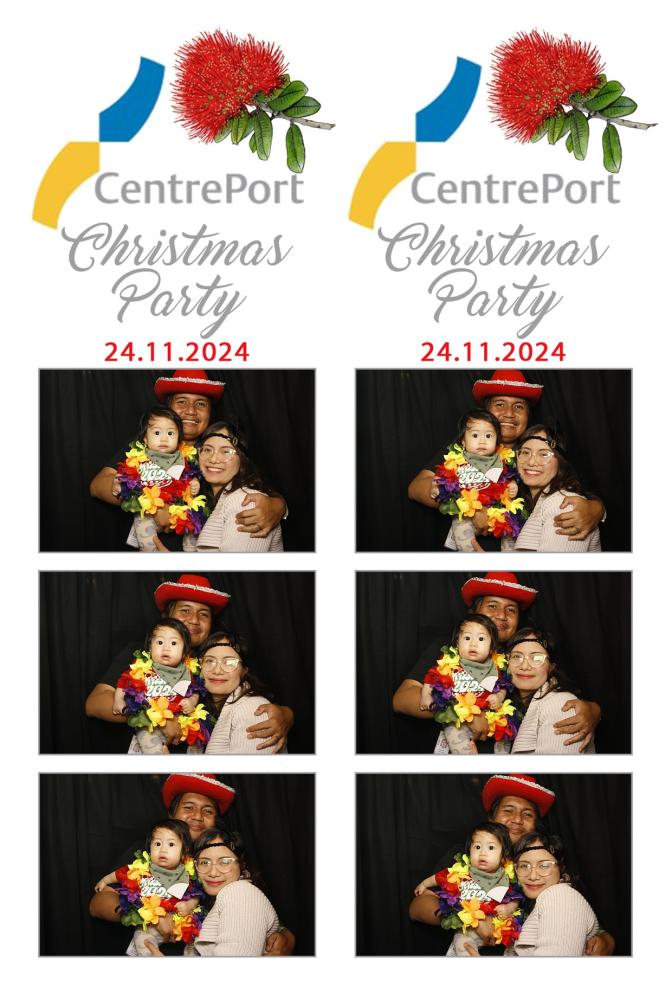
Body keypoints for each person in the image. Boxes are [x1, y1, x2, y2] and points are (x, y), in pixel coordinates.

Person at [89, 773, 295, 956]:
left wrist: (287, 939)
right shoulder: (151, 852)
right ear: (172, 815)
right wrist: (151, 915)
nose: (197, 816)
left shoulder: (224, 861)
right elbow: (98, 904)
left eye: (208, 811)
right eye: (188, 808)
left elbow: (256, 910)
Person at [393, 571, 601, 753]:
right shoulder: (448, 647)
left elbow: (553, 690)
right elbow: (402, 699)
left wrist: (593, 711)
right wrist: (464, 713)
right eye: (492, 606)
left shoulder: (519, 655)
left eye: (511, 609)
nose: (501, 615)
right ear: (475, 613)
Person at [408, 773, 614, 956]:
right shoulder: (470, 856)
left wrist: (606, 939)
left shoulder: (543, 864)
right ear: (491, 817)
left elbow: (574, 911)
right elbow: (417, 907)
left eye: (527, 814)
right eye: (508, 811)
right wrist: (472, 918)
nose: (517, 819)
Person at [85, 574, 294, 752]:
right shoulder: (142, 652)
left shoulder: (213, 660)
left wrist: (286, 715)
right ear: (168, 616)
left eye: (203, 614)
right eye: (185, 610)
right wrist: (158, 719)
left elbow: (248, 695)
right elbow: (95, 703)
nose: (194, 619)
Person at [408, 370, 603, 544]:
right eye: (499, 404)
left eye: (519, 406)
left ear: (528, 415)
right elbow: (416, 487)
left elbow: (573, 487)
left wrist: (597, 510)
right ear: (486, 411)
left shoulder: (536, 450)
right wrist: (471, 508)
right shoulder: (468, 446)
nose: (509, 413)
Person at [90, 370, 287, 543]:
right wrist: (153, 506)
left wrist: (279, 507)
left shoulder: (217, 447)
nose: (191, 411)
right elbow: (98, 485)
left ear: (210, 412)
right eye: (182, 402)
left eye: (200, 404)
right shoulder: (150, 444)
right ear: (169, 408)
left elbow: (254, 482)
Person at [94, 818, 203, 956]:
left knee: (197, 942)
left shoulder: (186, 874)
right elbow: (119, 874)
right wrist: (104, 881)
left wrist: (189, 905)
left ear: (184, 850)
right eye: (157, 844)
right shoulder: (142, 870)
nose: (163, 849)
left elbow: (196, 894)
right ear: (149, 847)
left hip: (181, 924)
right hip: (150, 925)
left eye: (171, 844)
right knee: (142, 941)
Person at [414, 822, 523, 955]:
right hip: (469, 930)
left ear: (503, 855)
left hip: (500, 928)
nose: (483, 853)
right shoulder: (462, 872)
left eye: (491, 847)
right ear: (469, 851)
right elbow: (439, 877)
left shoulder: (505, 877)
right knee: (462, 944)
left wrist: (509, 908)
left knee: (516, 946)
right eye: (477, 847)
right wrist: (424, 884)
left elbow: (516, 898)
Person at [112, 405, 206, 552]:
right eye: (156, 433)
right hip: (149, 512)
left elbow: (189, 475)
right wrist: (117, 484)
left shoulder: (182, 459)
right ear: (145, 439)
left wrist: (194, 483)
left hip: (179, 509)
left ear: (179, 439)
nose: (164, 438)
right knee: (142, 524)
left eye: (170, 433)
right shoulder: (139, 459)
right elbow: (124, 476)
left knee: (193, 521)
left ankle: (192, 554)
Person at [419, 614, 517, 754]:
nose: (473, 644)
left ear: (491, 647)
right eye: (467, 638)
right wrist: (426, 695)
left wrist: (499, 697)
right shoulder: (450, 665)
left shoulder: (494, 667)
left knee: (505, 731)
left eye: (481, 639)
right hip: (459, 717)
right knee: (453, 733)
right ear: (457, 643)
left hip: (489, 715)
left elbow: (503, 686)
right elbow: (431, 678)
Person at [430, 409, 524, 551]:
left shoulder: (501, 461)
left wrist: (512, 485)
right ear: (463, 441)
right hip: (467, 514)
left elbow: (508, 477)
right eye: (475, 435)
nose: (482, 441)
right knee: (461, 529)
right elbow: (441, 478)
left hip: (497, 511)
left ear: (497, 441)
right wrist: (436, 487)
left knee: (512, 530)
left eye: (488, 436)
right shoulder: (457, 461)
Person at [183, 422, 283, 552]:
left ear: (242, 459)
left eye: (226, 451)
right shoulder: (203, 500)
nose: (213, 459)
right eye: (207, 450)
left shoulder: (245, 502)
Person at [112, 619, 208, 755]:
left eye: (174, 643)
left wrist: (192, 701)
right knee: (148, 740)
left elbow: (195, 690)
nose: (166, 648)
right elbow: (124, 682)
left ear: (184, 651)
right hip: (150, 723)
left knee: (197, 739)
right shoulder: (143, 669)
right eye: (160, 642)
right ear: (150, 648)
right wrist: (118, 700)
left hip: (180, 721)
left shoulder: (187, 672)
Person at [508, 831, 599, 956]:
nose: (533, 876)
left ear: (560, 867)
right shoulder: (527, 903)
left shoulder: (559, 896)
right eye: (524, 866)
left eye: (544, 865)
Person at [196, 632, 287, 754]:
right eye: (209, 661)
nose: (217, 670)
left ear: (244, 670)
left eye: (230, 662)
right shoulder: (195, 705)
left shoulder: (253, 709)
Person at [508, 628, 595, 754]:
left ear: (551, 667)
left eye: (537, 658)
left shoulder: (560, 704)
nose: (525, 666)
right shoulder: (503, 702)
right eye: (517, 656)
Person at [514, 425, 601, 551]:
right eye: (525, 452)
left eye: (544, 454)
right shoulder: (521, 502)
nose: (531, 462)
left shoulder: (563, 505)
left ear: (560, 462)